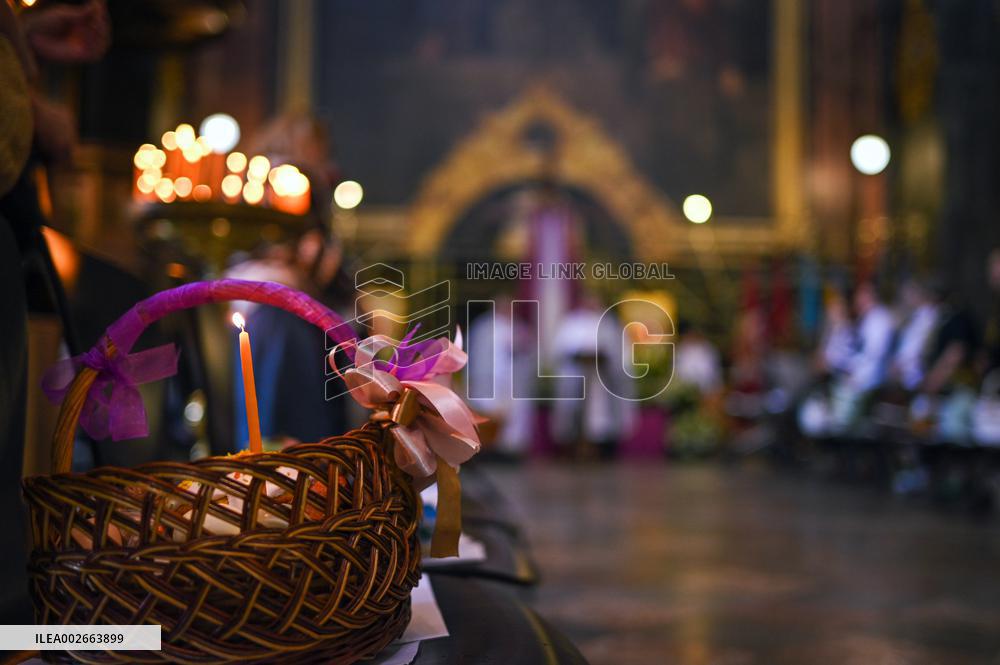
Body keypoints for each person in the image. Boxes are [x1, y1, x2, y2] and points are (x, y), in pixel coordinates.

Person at [549, 293, 637, 460]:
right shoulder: (572, 323)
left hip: (603, 381)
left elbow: (619, 352)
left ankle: (602, 447)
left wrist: (606, 357)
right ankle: (575, 445)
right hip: (577, 377)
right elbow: (560, 349)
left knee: (600, 415)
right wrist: (578, 354)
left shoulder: (609, 323)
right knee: (574, 413)